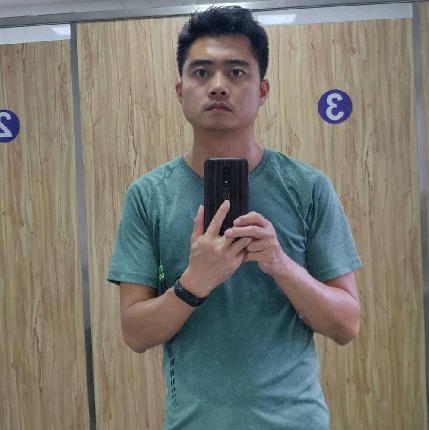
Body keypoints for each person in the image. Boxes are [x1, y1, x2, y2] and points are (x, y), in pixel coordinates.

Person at [107, 5, 362, 430]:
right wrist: (194, 283)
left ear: (262, 90)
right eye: (201, 72)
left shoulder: (307, 187)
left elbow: (346, 324)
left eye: (236, 72)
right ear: (180, 90)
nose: (218, 86)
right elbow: (135, 333)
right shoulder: (148, 196)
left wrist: (280, 264)